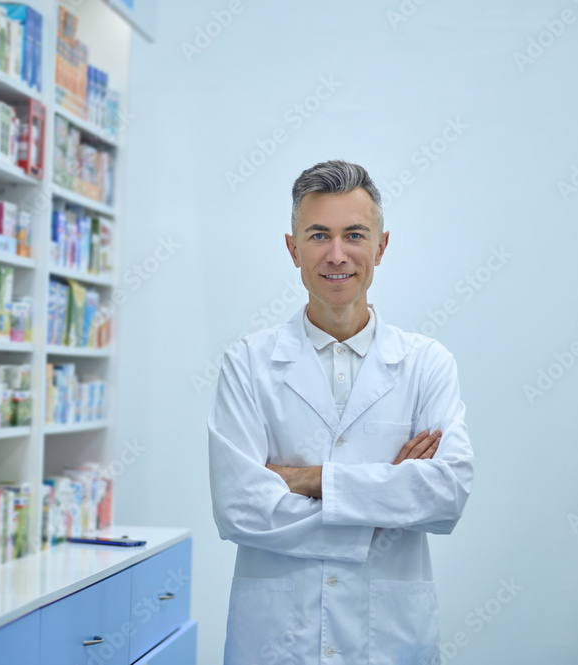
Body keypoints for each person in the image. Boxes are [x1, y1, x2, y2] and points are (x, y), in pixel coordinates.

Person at [208, 159, 474, 665]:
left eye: (354, 234)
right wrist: (386, 497)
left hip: (390, 641)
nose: (337, 255)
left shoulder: (426, 364)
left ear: (381, 246)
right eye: (317, 235)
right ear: (293, 249)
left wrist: (307, 480)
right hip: (276, 643)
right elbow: (239, 507)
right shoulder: (247, 362)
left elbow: (446, 495)